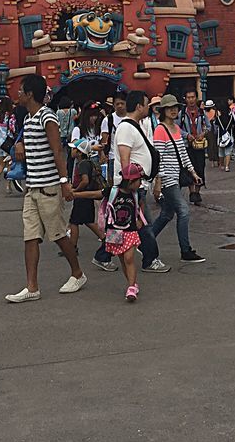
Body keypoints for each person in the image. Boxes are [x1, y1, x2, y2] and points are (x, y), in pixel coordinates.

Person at [4, 74, 86, 301]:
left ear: (30, 94)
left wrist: (64, 182)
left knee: (58, 234)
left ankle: (77, 273)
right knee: (30, 236)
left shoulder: (47, 117)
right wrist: (20, 144)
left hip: (49, 185)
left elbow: (57, 150)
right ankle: (32, 287)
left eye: (21, 91)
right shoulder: (29, 119)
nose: (18, 94)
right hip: (32, 185)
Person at [92, 90, 168, 274]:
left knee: (126, 225)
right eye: (146, 103)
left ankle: (103, 255)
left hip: (136, 185)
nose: (148, 107)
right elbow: (125, 159)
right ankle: (149, 259)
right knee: (137, 225)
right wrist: (130, 184)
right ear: (139, 106)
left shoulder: (135, 126)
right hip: (131, 187)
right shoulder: (126, 128)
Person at [149, 94, 206, 263]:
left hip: (177, 175)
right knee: (184, 211)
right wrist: (158, 181)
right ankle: (185, 250)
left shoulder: (176, 128)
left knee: (167, 214)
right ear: (163, 111)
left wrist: (193, 172)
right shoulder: (160, 130)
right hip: (167, 178)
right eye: (169, 108)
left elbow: (183, 153)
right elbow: (158, 157)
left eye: (175, 107)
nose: (173, 110)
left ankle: (145, 240)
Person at [105, 162, 149, 302]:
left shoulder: (135, 195)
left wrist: (140, 219)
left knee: (129, 258)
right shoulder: (113, 192)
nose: (140, 184)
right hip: (115, 231)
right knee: (123, 260)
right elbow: (96, 194)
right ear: (130, 181)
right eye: (138, 181)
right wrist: (76, 194)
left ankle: (131, 287)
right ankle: (132, 283)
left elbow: (142, 204)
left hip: (130, 230)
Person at [67, 137, 107, 249]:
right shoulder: (88, 163)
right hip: (87, 196)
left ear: (80, 152)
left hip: (82, 196)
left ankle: (72, 247)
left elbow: (85, 181)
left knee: (75, 221)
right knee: (87, 221)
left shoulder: (82, 164)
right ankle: (104, 239)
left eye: (74, 149)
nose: (72, 151)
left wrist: (76, 190)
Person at [181, 89, 208, 205]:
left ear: (196, 98)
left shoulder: (201, 113)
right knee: (189, 168)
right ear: (185, 99)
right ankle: (192, 191)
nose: (191, 100)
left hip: (199, 145)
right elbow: (177, 128)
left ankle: (197, 191)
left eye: (193, 97)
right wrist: (186, 135)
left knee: (200, 167)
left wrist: (203, 133)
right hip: (187, 145)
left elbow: (209, 126)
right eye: (188, 97)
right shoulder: (181, 113)